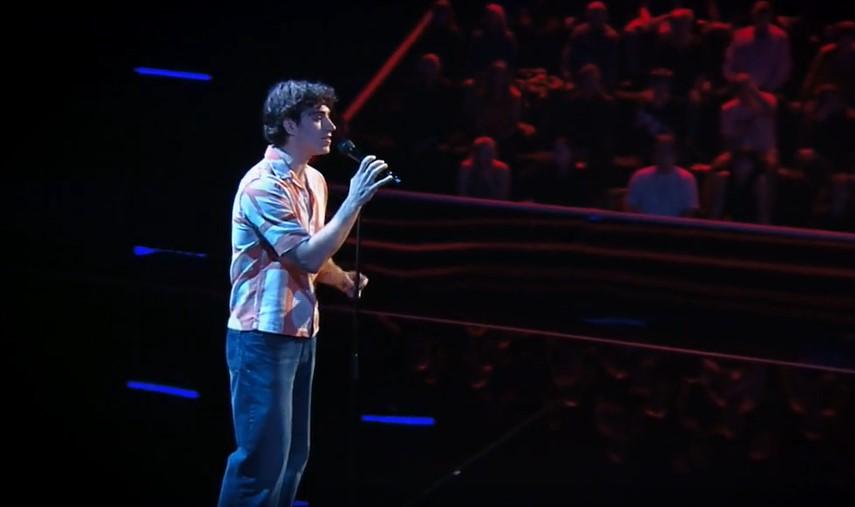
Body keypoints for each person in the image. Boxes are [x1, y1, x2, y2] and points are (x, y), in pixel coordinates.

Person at [218, 80, 394, 506]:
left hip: (300, 332)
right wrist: (353, 202)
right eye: (318, 117)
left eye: (328, 116)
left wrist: (342, 279)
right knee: (261, 464)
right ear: (289, 125)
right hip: (261, 335)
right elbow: (305, 256)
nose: (331, 126)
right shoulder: (261, 185)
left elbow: (314, 251)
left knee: (293, 458)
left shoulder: (313, 179)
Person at [626, 134, 699, 217]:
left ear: (675, 154)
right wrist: (645, 222)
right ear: (654, 153)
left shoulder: (687, 179)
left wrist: (673, 224)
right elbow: (631, 206)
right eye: (659, 151)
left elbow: (689, 210)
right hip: (643, 225)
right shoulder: (639, 176)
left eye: (666, 151)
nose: (662, 155)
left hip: (676, 225)